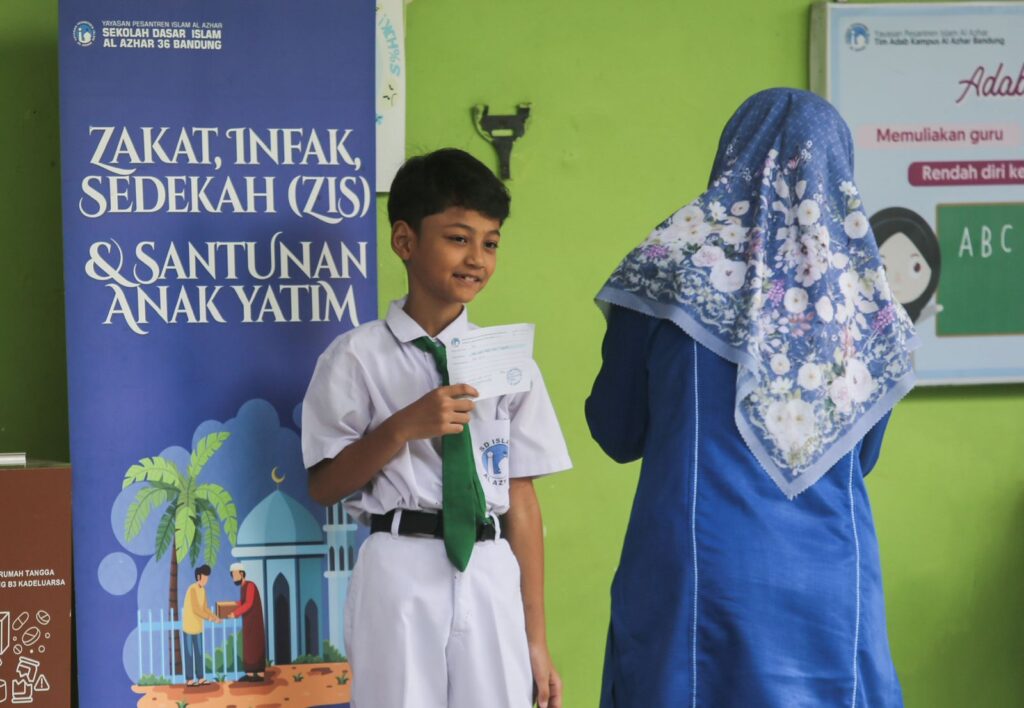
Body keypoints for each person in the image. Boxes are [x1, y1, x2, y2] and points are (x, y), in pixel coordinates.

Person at [586, 88, 919, 707]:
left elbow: (615, 428)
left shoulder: (666, 268)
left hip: (693, 567)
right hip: (829, 583)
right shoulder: (868, 305)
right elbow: (861, 456)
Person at [302, 148, 571, 708]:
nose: (477, 258)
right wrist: (400, 427)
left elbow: (521, 498)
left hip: (492, 567)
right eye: (458, 237)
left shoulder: (510, 361)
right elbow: (324, 485)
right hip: (400, 564)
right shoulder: (355, 358)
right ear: (405, 241)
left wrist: (537, 640)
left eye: (490, 242)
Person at [182, 564, 220, 686]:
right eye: (204, 578)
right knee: (189, 654)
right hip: (188, 627)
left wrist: (214, 617)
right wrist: (209, 617)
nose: (206, 580)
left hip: (198, 627)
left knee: (199, 653)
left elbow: (205, 608)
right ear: (198, 577)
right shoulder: (192, 589)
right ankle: (189, 679)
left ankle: (201, 677)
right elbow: (196, 609)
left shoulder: (203, 590)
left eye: (207, 578)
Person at [227, 562, 266, 682]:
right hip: (247, 622)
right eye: (232, 575)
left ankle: (259, 674)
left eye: (234, 574)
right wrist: (231, 606)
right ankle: (249, 673)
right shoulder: (243, 587)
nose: (233, 577)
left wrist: (235, 613)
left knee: (255, 646)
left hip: (254, 622)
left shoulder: (250, 586)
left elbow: (248, 603)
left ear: (241, 573)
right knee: (248, 647)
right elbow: (243, 603)